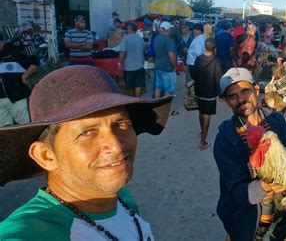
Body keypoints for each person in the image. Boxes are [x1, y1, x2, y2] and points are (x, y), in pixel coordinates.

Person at [0, 65, 172, 239]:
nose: (116, 146)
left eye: (122, 124)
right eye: (87, 133)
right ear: (46, 155)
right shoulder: (30, 231)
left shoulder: (121, 199)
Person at [214, 67, 286, 241]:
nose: (241, 99)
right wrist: (265, 187)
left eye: (245, 91)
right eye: (232, 96)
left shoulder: (277, 121)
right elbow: (236, 190)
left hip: (281, 218)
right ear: (226, 101)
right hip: (244, 220)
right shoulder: (225, 139)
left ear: (257, 89)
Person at [191, 39, 222, 150]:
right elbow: (218, 79)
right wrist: (220, 94)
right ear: (214, 49)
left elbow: (193, 74)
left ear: (205, 47)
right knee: (207, 114)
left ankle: (202, 131)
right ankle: (203, 141)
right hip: (210, 92)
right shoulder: (216, 61)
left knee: (201, 111)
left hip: (199, 90)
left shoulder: (198, 59)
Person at [0, 40, 39, 127]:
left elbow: (35, 64)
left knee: (24, 124)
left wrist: (25, 75)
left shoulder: (15, 54)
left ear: (2, 42)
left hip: (17, 96)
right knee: (3, 127)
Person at [148, 22, 178, 99]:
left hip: (158, 66)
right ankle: (166, 109)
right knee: (168, 90)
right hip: (167, 68)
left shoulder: (156, 38)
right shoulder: (168, 40)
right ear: (168, 29)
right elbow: (171, 55)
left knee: (158, 87)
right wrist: (175, 66)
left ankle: (157, 106)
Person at [118, 23, 146, 97]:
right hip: (140, 66)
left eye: (127, 29)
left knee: (129, 86)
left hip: (129, 67)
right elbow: (144, 52)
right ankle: (137, 99)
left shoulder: (125, 38)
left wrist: (120, 63)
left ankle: (131, 100)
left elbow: (122, 52)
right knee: (138, 84)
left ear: (129, 29)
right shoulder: (141, 39)